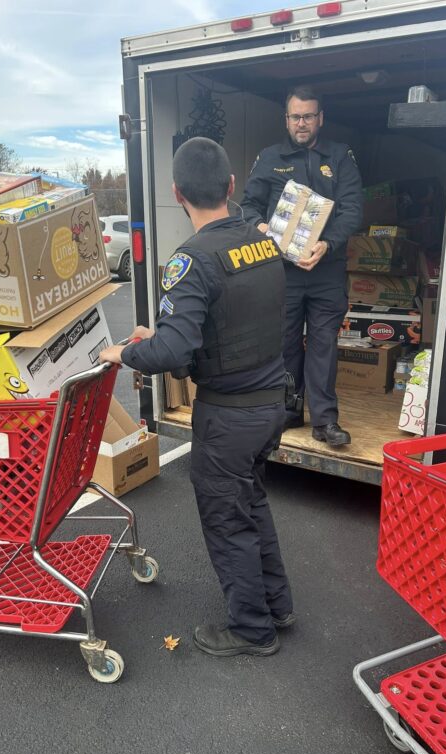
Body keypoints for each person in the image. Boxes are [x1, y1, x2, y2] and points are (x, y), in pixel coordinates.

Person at [99, 137, 294, 658]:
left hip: (229, 418)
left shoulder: (192, 261)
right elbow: (224, 329)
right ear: (231, 187)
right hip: (270, 403)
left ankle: (253, 629)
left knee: (229, 521)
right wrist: (156, 339)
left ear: (176, 192)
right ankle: (277, 603)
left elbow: (176, 350)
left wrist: (123, 353)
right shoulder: (263, 242)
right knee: (252, 504)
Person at [240, 86, 363, 447]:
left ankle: (325, 422)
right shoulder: (269, 157)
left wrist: (327, 244)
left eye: (309, 116)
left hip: (326, 270)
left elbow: (353, 209)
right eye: (296, 116)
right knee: (286, 345)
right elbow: (248, 207)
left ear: (320, 118)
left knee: (323, 345)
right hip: (284, 273)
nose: (302, 123)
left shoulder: (340, 157)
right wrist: (263, 229)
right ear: (287, 119)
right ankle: (289, 412)